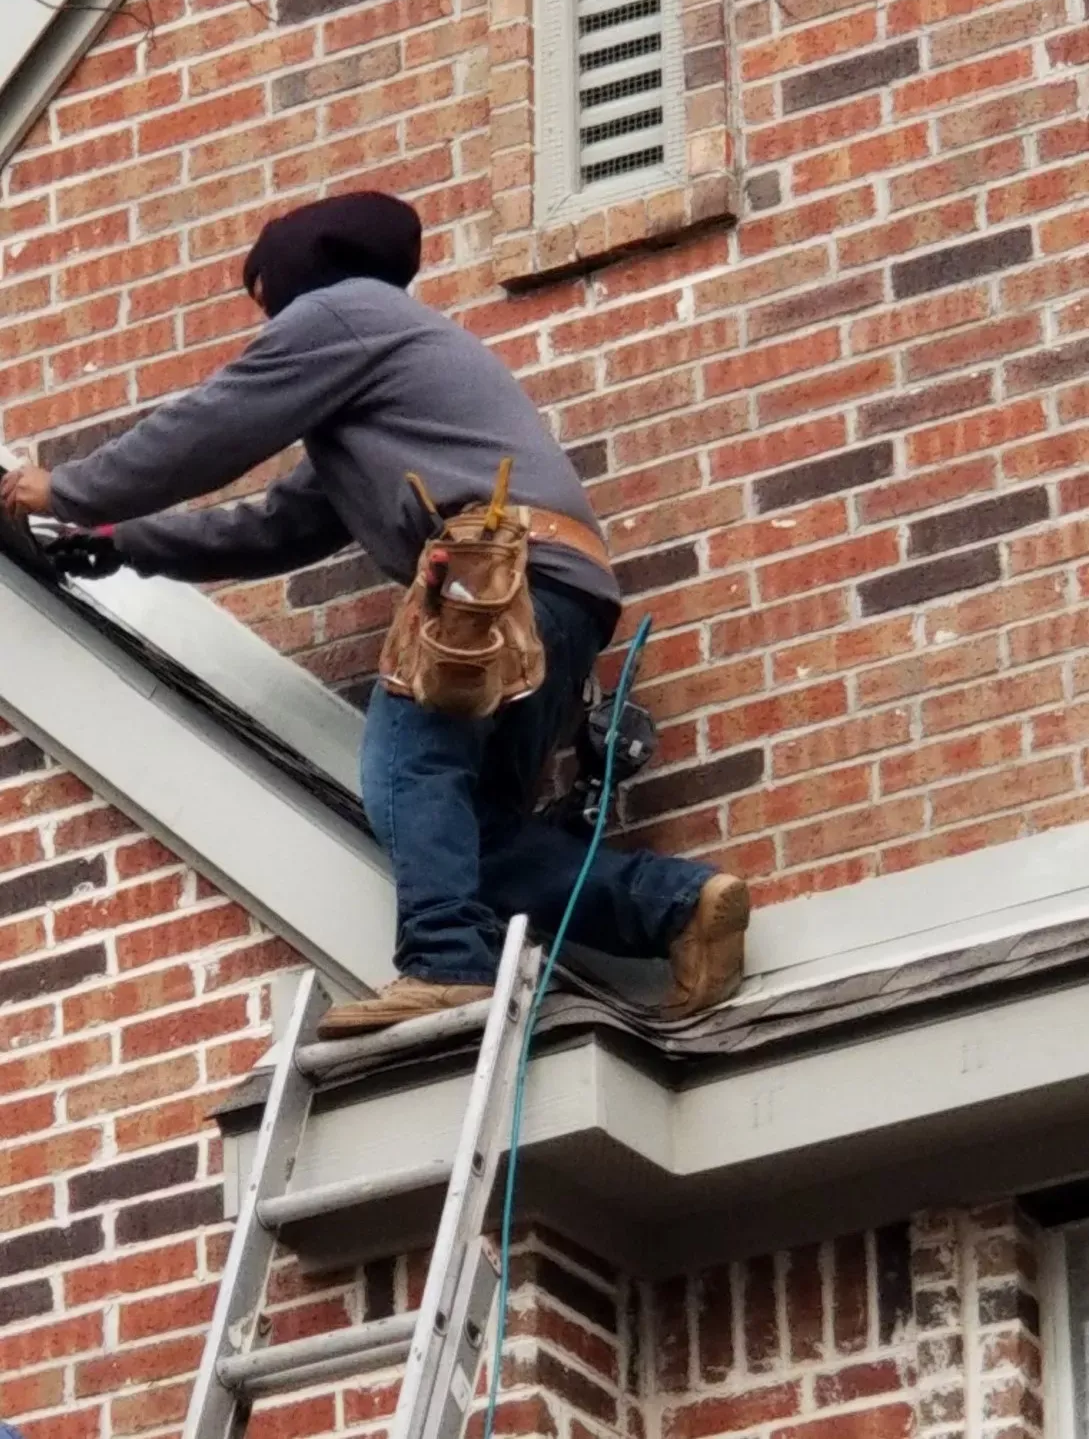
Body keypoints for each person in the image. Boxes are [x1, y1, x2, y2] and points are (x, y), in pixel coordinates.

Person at [0, 192, 750, 1037]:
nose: (267, 319)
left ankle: (444, 964)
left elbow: (209, 427)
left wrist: (60, 487)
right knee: (473, 839)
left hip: (492, 577)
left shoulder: (342, 314)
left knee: (405, 771)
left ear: (295, 277)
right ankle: (677, 907)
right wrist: (126, 541)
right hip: (558, 594)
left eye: (263, 296)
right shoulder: (387, 374)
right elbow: (279, 525)